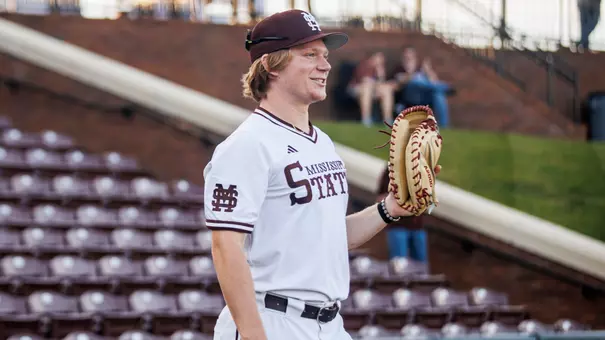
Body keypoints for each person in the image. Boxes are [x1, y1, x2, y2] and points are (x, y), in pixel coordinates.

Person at [203, 9, 441, 340]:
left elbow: (328, 237)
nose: (326, 65)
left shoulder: (322, 143)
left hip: (329, 324)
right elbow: (225, 246)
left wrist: (389, 208)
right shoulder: (247, 145)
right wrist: (254, 333)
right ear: (272, 64)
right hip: (272, 320)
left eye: (325, 55)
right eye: (310, 54)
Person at [376, 164, 428, 262]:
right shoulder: (391, 169)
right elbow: (380, 199)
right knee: (399, 266)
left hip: (417, 226)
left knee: (420, 268)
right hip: (397, 226)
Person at [391, 46, 452, 128]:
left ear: (415, 57)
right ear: (403, 58)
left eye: (411, 56)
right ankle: (443, 87)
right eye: (406, 57)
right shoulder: (399, 68)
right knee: (416, 81)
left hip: (424, 97)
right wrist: (412, 74)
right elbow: (399, 81)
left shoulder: (421, 68)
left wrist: (429, 71)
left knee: (438, 94)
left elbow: (434, 81)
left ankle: (444, 126)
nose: (408, 58)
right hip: (409, 97)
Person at [347, 51, 397, 127]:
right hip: (357, 89)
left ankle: (388, 120)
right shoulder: (365, 65)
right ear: (373, 58)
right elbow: (365, 81)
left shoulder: (379, 69)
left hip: (372, 90)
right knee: (367, 89)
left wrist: (380, 74)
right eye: (378, 58)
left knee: (387, 90)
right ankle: (366, 119)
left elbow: (381, 84)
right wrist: (378, 84)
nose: (380, 61)